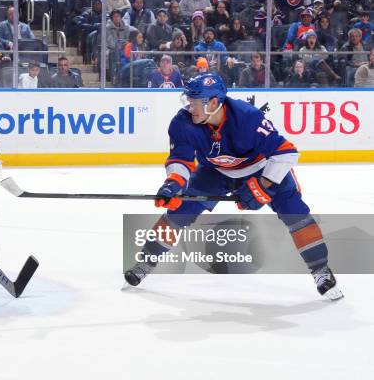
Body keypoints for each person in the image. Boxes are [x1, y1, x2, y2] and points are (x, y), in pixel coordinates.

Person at [123, 72, 343, 301]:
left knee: (295, 213)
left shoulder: (247, 117)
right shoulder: (182, 123)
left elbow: (286, 153)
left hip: (261, 169)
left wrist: (263, 185)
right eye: (189, 102)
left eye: (196, 103)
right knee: (179, 211)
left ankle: (320, 270)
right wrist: (172, 184)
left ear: (214, 103)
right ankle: (145, 263)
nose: (190, 108)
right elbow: (181, 159)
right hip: (215, 171)